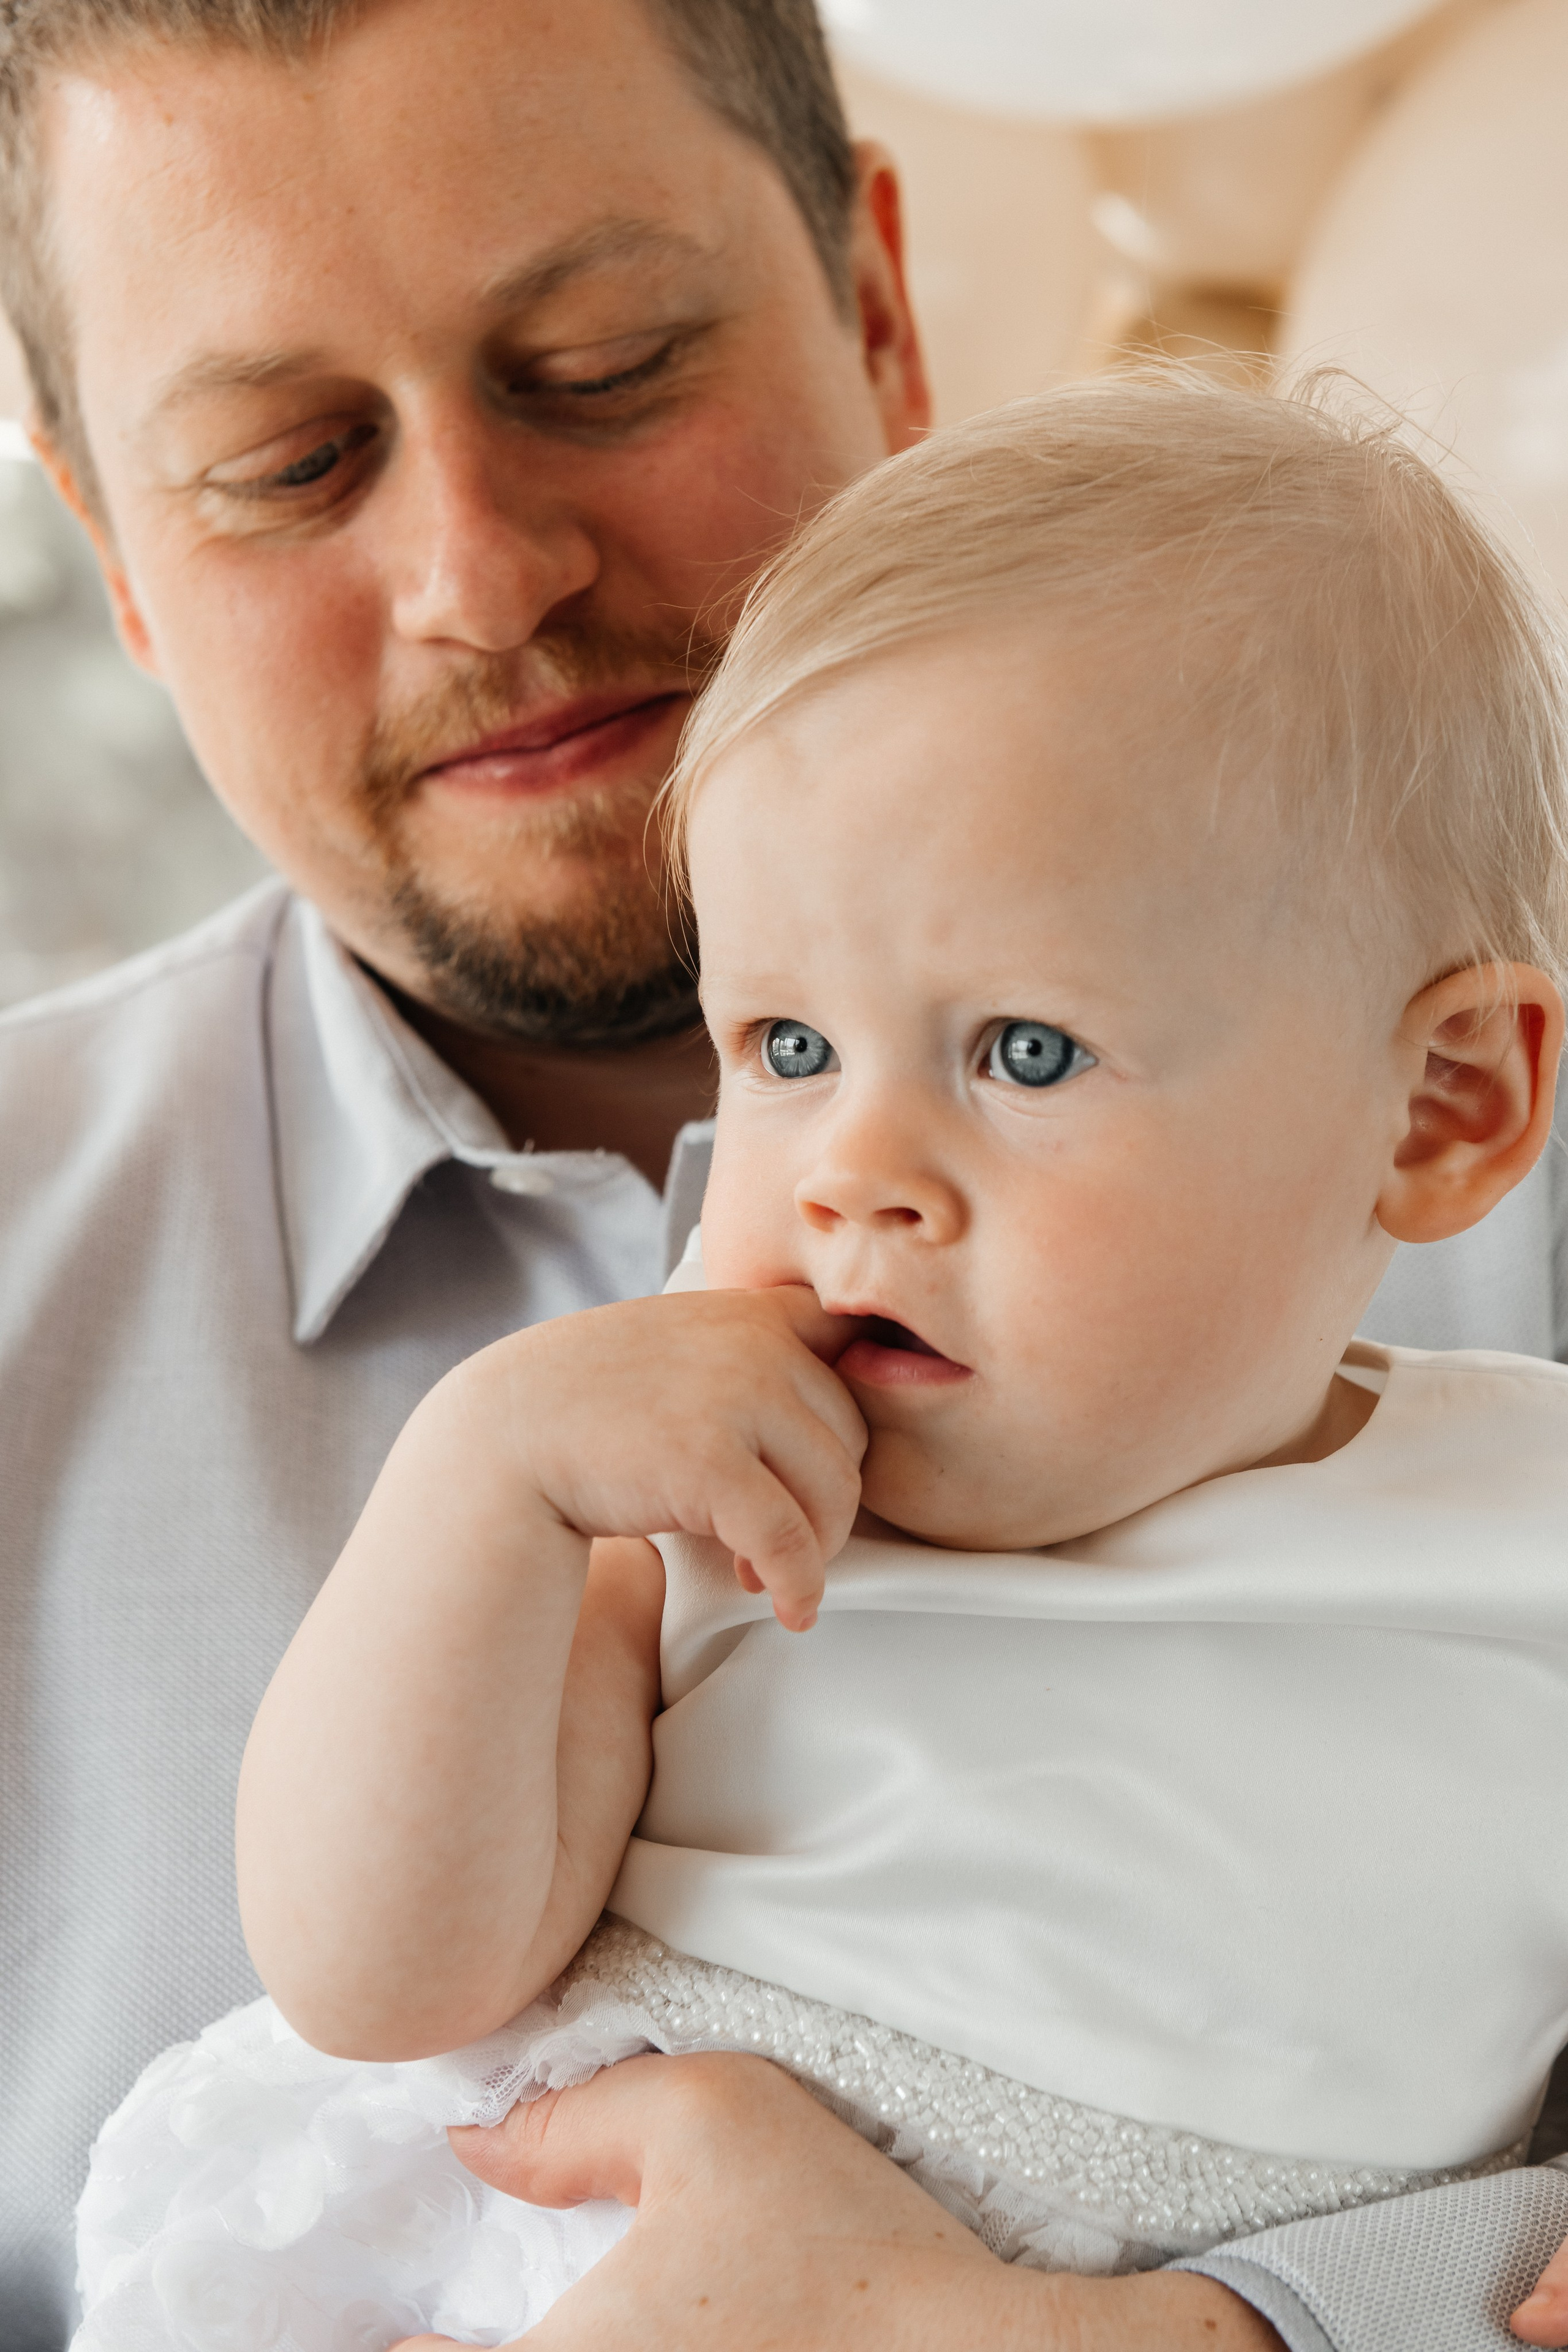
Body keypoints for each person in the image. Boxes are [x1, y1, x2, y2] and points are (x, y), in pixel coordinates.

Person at [0, 0, 1562, 2346]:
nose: (482, 574)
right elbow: (381, 1975)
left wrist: (1236, 2329)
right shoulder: (605, 1555)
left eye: (605, 359)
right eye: (291, 461)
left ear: (878, 309)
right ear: (112, 555)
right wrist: (479, 1494)